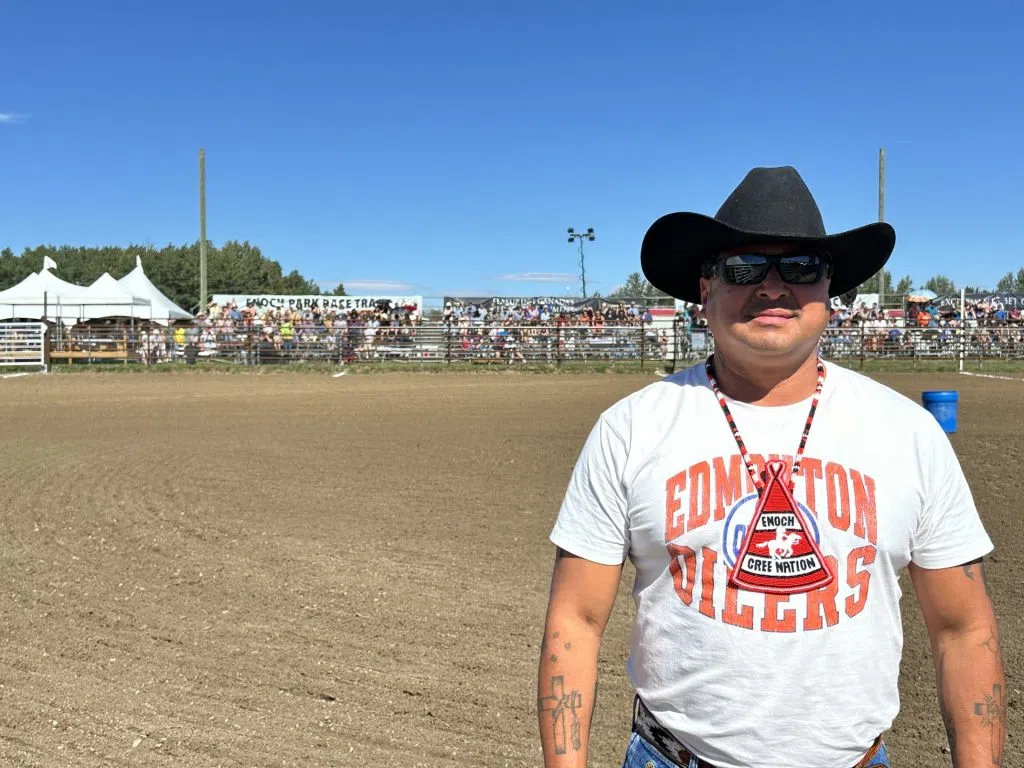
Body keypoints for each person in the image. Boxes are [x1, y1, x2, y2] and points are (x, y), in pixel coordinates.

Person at [537, 166, 1004, 768]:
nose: (773, 287)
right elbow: (574, 622)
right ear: (704, 288)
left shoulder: (908, 433)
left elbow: (964, 630)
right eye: (743, 268)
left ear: (829, 291)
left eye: (801, 267)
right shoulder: (630, 429)